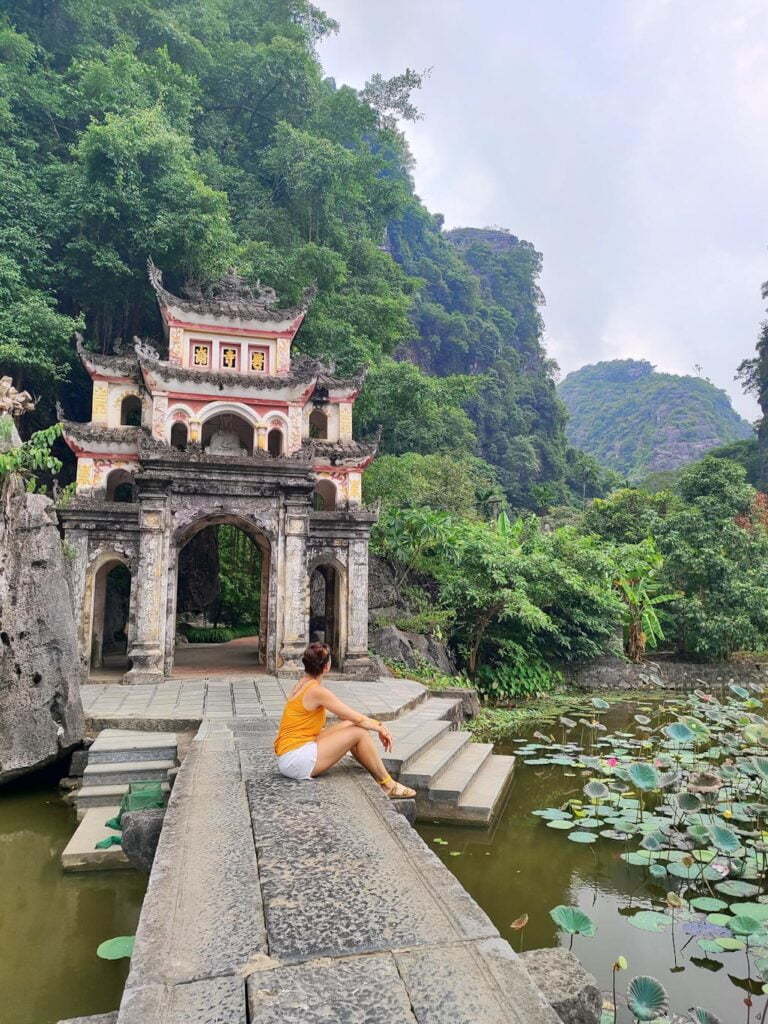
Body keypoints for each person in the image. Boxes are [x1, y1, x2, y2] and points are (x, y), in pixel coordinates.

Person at [274, 641, 416, 798]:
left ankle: (380, 777)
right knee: (359, 732)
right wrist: (380, 728)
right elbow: (357, 718)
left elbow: (350, 719)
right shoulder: (317, 691)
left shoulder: (303, 683)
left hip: (291, 755)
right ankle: (389, 785)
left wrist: (377, 725)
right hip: (296, 760)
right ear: (327, 666)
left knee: (350, 725)